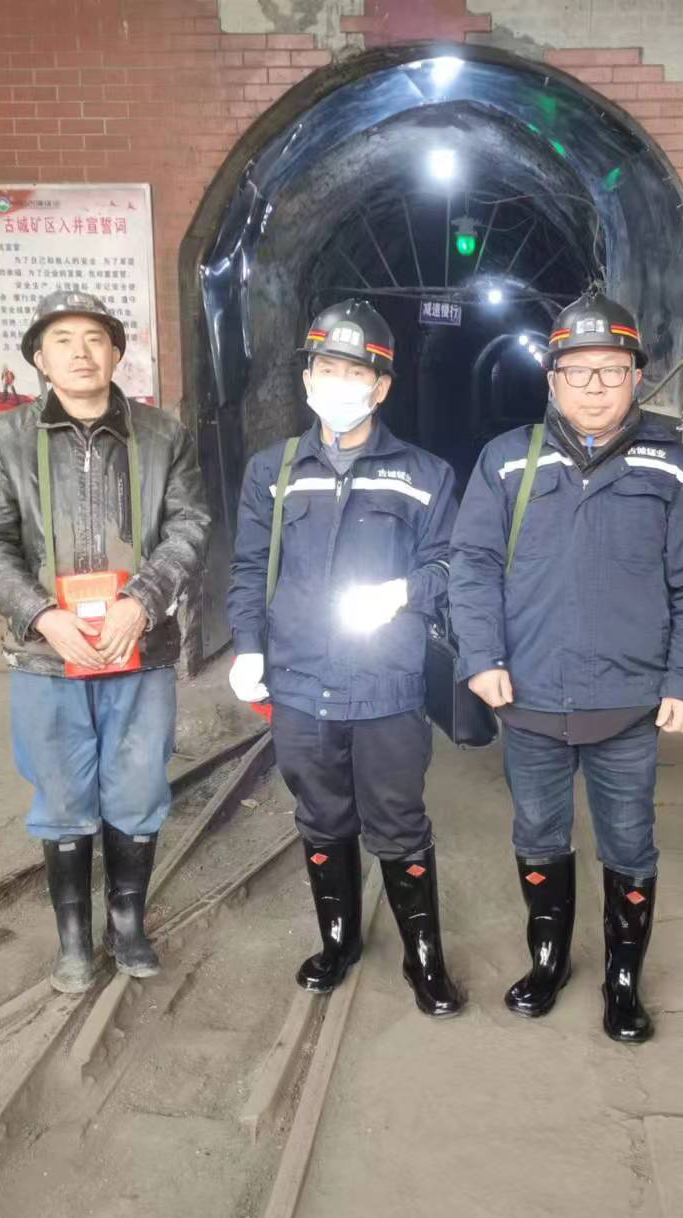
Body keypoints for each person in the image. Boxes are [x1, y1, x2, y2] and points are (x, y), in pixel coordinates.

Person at [449, 290, 683, 1043]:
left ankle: (623, 979)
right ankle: (548, 959)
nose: (595, 386)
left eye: (612, 370)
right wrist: (481, 657)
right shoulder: (506, 460)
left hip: (629, 702)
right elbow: (471, 566)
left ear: (637, 376)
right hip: (530, 693)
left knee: (629, 840)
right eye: (578, 370)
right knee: (539, 832)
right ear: (552, 379)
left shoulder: (671, 467)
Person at [0, 290, 210, 993]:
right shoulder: (7, 441)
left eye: (95, 338)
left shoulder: (163, 436)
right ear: (39, 359)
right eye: (62, 340)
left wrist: (142, 601)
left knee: (137, 788)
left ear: (116, 353)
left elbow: (189, 525)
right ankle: (73, 937)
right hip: (50, 656)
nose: (80, 352)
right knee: (62, 795)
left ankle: (126, 923)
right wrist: (42, 615)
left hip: (140, 649)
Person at [225, 300, 466, 1017]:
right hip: (301, 681)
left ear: (381, 386)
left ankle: (424, 957)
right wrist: (247, 647)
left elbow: (452, 565)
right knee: (321, 816)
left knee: (398, 818)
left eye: (355, 372)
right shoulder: (273, 471)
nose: (338, 383)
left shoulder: (425, 474)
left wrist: (404, 591)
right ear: (307, 378)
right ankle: (339, 941)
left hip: (387, 682)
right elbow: (248, 568)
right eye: (325, 368)